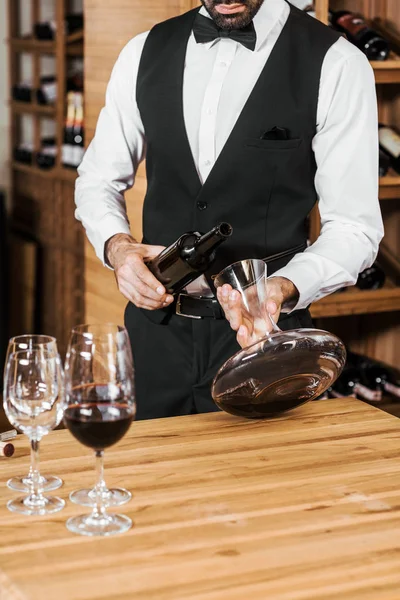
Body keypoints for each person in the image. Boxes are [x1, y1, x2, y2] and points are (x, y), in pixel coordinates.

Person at [75, 0, 384, 419]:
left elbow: (354, 228)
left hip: (264, 341)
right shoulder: (143, 50)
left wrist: (281, 288)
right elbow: (97, 180)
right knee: (147, 479)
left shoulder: (337, 63)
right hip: (155, 337)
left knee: (257, 480)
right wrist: (118, 248)